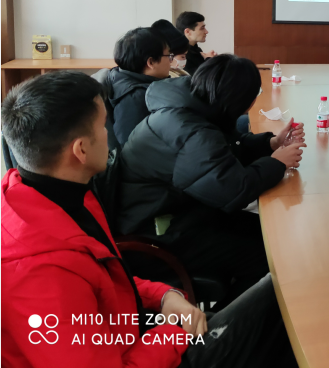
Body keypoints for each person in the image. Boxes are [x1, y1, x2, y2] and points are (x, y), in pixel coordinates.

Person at [1, 71, 297, 367]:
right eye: (103, 126)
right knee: (283, 304)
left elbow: (105, 281)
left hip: (133, 331)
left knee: (279, 298)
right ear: (80, 150)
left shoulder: (55, 197)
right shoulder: (40, 272)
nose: (109, 134)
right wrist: (174, 333)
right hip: (145, 351)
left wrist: (163, 295)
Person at [116, 54, 305, 310]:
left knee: (271, 234)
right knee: (269, 256)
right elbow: (233, 191)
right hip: (160, 235)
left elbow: (222, 154)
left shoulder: (194, 107)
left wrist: (271, 144)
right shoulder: (190, 130)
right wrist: (277, 163)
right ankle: (225, 323)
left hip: (177, 214)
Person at [108, 28, 172, 147]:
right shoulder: (136, 97)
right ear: (151, 62)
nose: (170, 61)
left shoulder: (120, 76)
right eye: (169, 56)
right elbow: (129, 146)